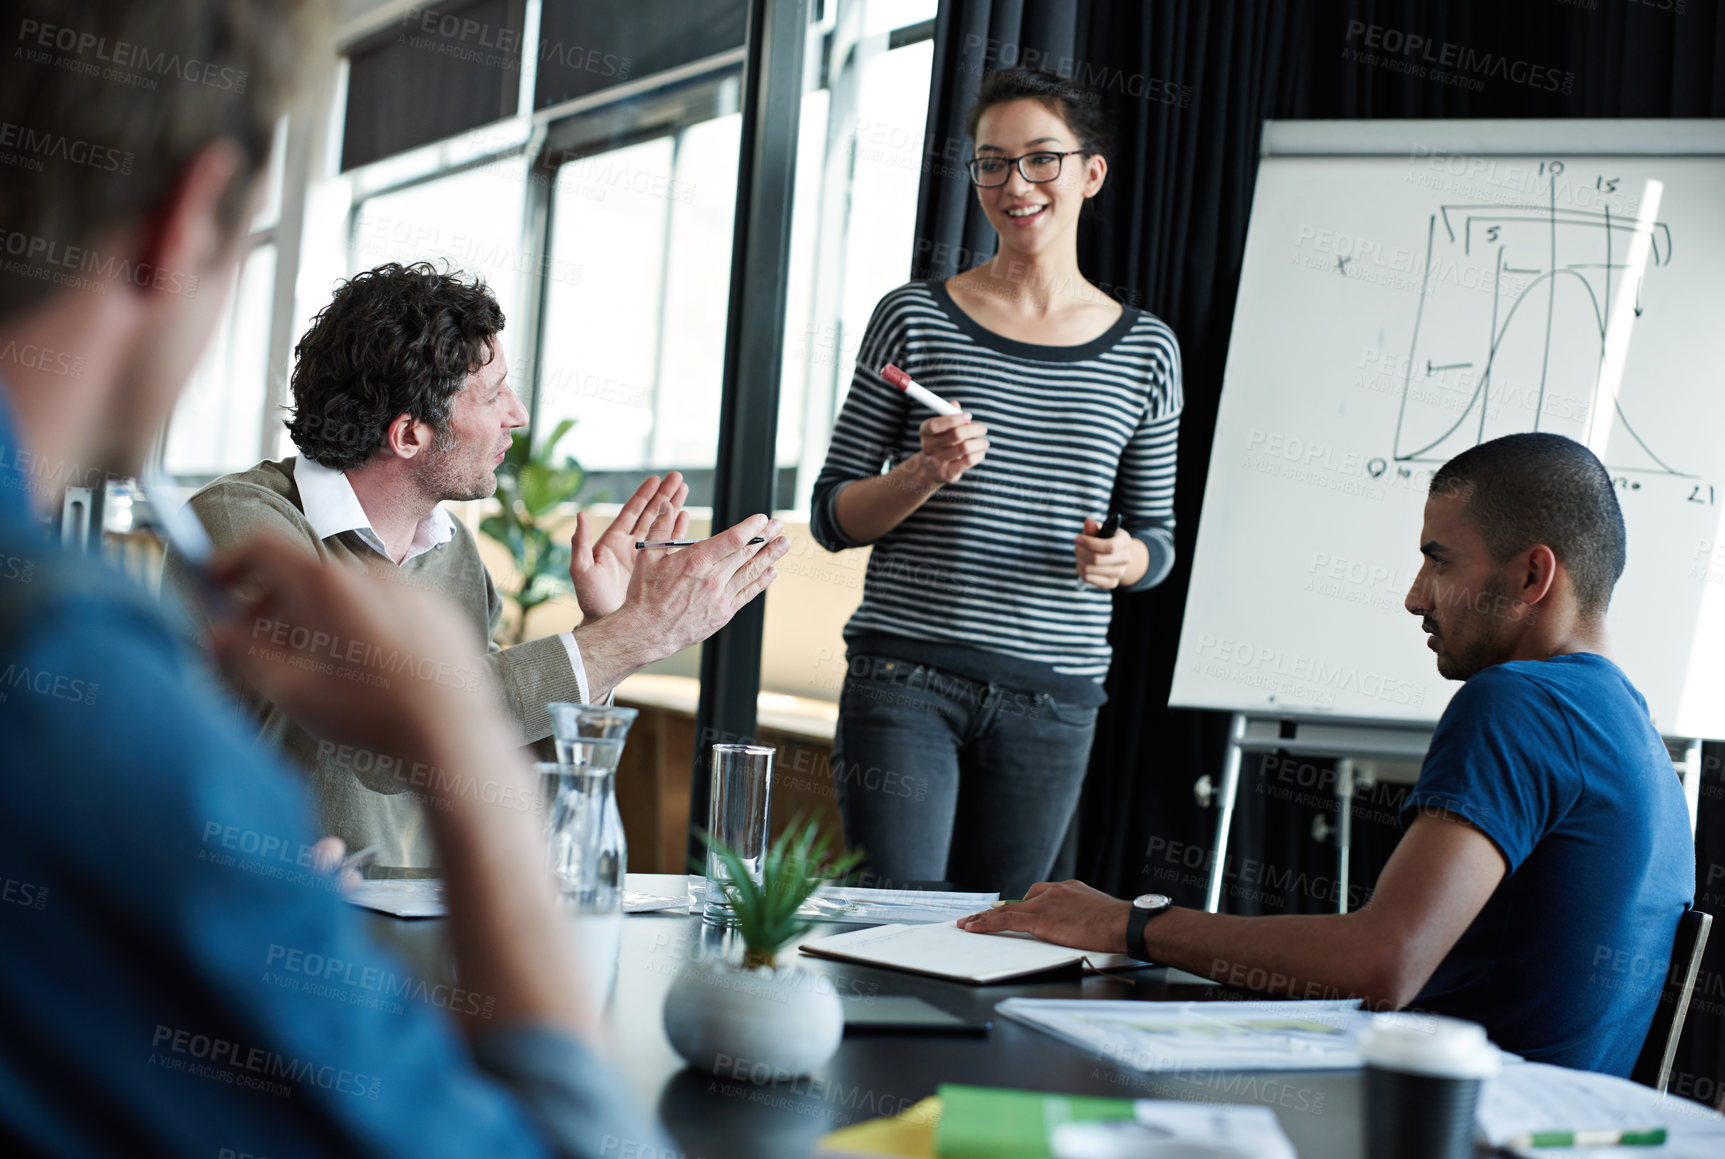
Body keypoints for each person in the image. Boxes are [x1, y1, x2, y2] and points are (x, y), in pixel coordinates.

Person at [0, 1, 775, 1151]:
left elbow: (473, 779)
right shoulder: (233, 538)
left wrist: (590, 657)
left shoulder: (456, 563)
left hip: (415, 972)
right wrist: (619, 645)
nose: (520, 415)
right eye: (493, 393)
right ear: (185, 216)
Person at [960, 433, 1694, 1077]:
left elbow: (1381, 964)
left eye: (1437, 562)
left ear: (1532, 576)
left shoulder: (1520, 701)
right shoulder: (1632, 732)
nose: (1415, 597)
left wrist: (1128, 922)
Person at [165, 261, 782, 866]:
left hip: (418, 925)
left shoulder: (451, 549)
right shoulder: (240, 524)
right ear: (409, 435)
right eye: (493, 395)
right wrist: (633, 634)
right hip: (257, 917)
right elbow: (387, 730)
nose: (519, 414)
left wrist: (608, 632)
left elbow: (489, 753)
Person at [809, 68, 1182, 896]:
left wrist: (1126, 560)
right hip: (905, 678)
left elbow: (1157, 540)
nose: (1015, 185)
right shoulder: (911, 316)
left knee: (1001, 943)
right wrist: (921, 472)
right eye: (991, 162)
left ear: (1090, 173)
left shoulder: (1147, 350)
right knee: (889, 929)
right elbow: (831, 514)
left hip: (1054, 698)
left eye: (1041, 159)